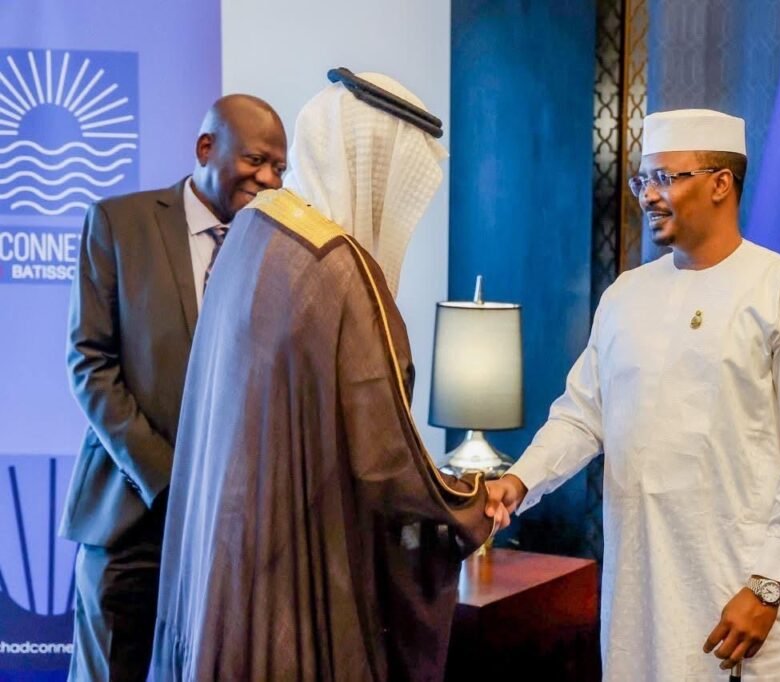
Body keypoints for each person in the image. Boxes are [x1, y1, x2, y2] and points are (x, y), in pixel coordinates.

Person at [151, 72, 496, 682]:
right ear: (375, 166)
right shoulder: (338, 266)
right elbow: (384, 459)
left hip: (224, 557)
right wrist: (466, 503)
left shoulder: (254, 229)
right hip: (295, 563)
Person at [486, 109, 780, 680]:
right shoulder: (626, 296)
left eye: (665, 178)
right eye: (643, 180)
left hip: (741, 594)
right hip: (640, 592)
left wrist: (767, 585)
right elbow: (583, 415)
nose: (649, 196)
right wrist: (519, 481)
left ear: (720, 183)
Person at [59, 94, 286, 681]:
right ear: (206, 148)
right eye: (256, 160)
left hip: (226, 536)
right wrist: (167, 481)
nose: (268, 179)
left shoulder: (277, 248)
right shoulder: (118, 223)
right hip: (130, 517)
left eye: (279, 168)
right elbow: (90, 364)